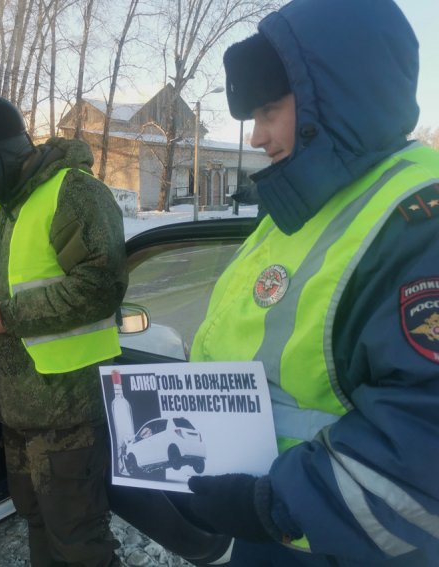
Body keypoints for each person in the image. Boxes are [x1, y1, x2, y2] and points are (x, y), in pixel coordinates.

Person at [184, 0, 439, 565]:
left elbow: (427, 438)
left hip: (345, 542)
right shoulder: (301, 200)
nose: (256, 136)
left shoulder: (421, 217)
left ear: (339, 96)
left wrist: (278, 506)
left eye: (270, 110)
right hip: (278, 530)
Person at [0, 94, 128, 566]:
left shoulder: (75, 192)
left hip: (67, 410)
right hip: (17, 408)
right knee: (36, 521)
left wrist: (6, 315)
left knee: (78, 536)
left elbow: (100, 286)